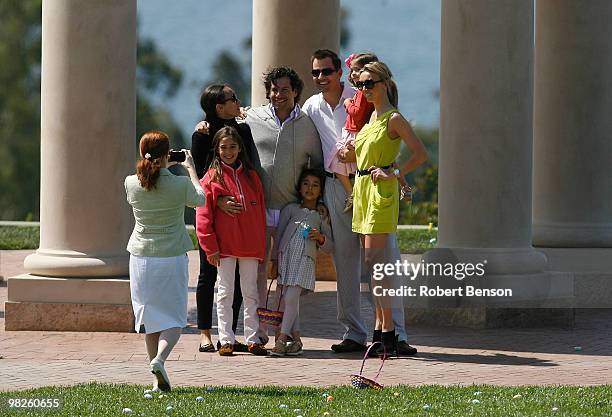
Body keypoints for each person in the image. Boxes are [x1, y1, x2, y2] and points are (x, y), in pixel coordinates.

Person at [303, 49, 417, 355]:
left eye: (326, 71)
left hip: (372, 185)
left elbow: (391, 137)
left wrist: (396, 174)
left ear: (339, 72)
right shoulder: (311, 107)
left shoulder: (364, 97)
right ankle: (354, 332)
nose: (321, 78)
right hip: (339, 187)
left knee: (383, 261)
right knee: (347, 261)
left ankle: (397, 333)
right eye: (315, 73)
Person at [352, 61, 427, 356]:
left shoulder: (393, 118)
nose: (365, 89)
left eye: (370, 83)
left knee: (376, 261)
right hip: (362, 191)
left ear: (384, 83)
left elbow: (419, 153)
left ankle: (387, 332)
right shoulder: (371, 118)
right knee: (372, 265)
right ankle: (383, 330)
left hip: (380, 192)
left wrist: (394, 175)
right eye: (361, 84)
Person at [245, 66, 323, 344]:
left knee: (289, 277)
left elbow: (317, 167)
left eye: (285, 89)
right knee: (256, 273)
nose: (278, 94)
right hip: (257, 209)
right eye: (274, 89)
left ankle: (290, 332)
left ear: (296, 92)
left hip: (292, 213)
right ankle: (258, 333)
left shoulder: (307, 125)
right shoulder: (251, 117)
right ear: (268, 91)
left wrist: (317, 206)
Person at [125, 131, 205, 392]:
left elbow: (150, 180)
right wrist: (189, 169)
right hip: (170, 256)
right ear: (167, 154)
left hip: (141, 257)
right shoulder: (179, 184)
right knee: (174, 319)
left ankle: (156, 376)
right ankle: (160, 360)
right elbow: (200, 199)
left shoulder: (131, 183)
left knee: (150, 318)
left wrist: (163, 166)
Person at [192, 84, 259, 353]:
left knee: (241, 281)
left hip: (240, 219)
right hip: (212, 214)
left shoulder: (242, 130)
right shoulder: (202, 134)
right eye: (233, 99)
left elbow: (251, 163)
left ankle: (228, 334)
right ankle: (205, 333)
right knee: (209, 274)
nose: (238, 101)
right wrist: (217, 199)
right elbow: (197, 175)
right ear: (219, 107)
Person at [269, 169, 333, 356]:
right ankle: (296, 341)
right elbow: (279, 235)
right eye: (306, 183)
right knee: (289, 301)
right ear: (299, 187)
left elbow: (330, 246)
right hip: (286, 259)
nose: (310, 188)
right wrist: (274, 260)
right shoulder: (290, 209)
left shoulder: (322, 215)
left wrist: (320, 238)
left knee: (290, 298)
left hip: (305, 262)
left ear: (321, 190)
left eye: (315, 185)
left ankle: (282, 340)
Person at [329, 53, 377, 213]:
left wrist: (347, 103)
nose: (354, 73)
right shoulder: (359, 91)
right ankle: (352, 193)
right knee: (337, 162)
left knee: (339, 161)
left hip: (356, 133)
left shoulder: (362, 94)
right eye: (353, 70)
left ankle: (352, 193)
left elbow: (356, 113)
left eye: (358, 70)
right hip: (351, 131)